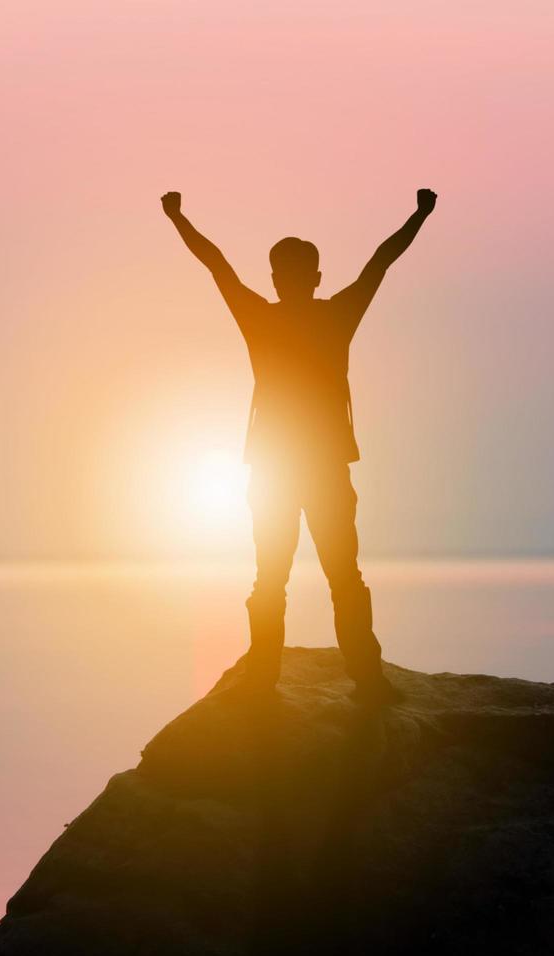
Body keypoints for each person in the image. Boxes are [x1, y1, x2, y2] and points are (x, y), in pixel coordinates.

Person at [161, 188, 437, 701]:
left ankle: (264, 680)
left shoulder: (259, 316)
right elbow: (382, 261)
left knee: (272, 578)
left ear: (275, 279)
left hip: (275, 469)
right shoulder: (337, 315)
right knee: (342, 578)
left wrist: (178, 217)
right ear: (314, 278)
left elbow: (216, 263)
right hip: (318, 468)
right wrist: (419, 215)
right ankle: (366, 679)